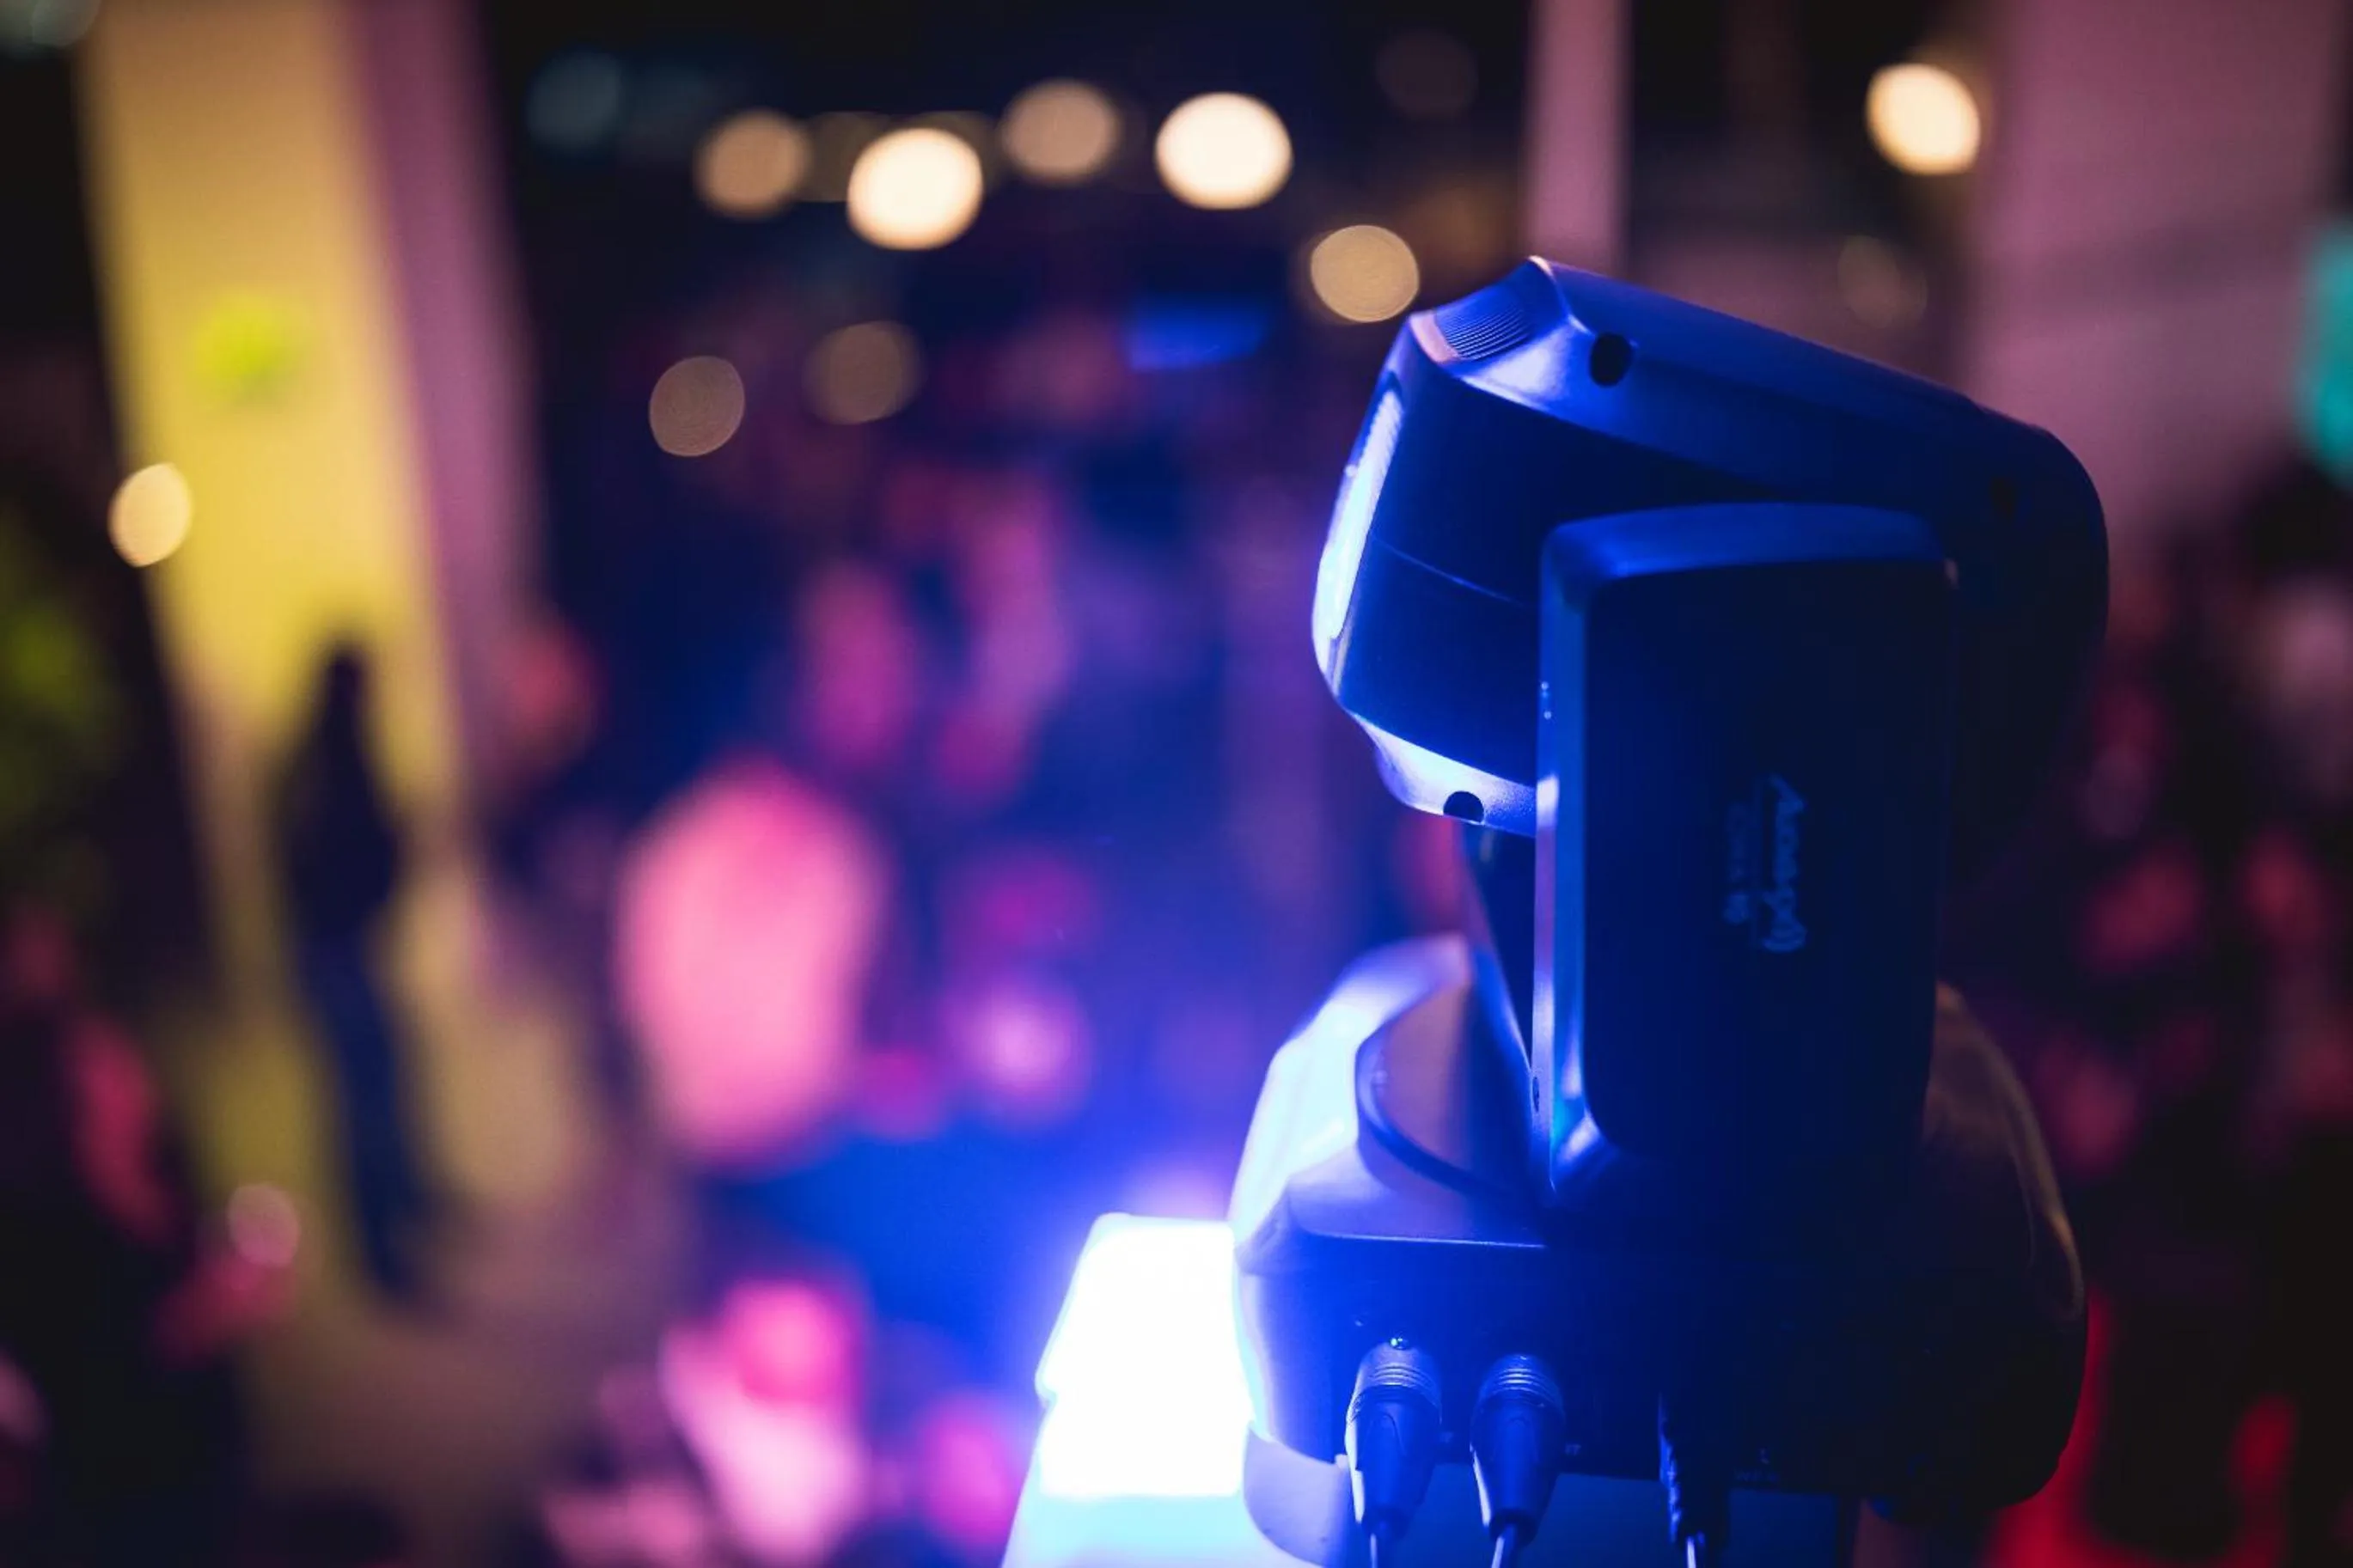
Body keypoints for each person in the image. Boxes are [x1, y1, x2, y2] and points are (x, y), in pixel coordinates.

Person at [0, 998, 288, 1565]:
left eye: (124, 1052)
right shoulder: (37, 1228)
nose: (134, 1069)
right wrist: (199, 1317)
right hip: (132, 1497)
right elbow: (79, 1384)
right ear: (58, 1098)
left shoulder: (162, 1164)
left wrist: (236, 1283)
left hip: (212, 1455)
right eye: (105, 1065)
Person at [276, 646, 434, 1300]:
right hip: (338, 953)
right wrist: (399, 842)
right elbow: (336, 861)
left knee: (379, 1085)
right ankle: (378, 1248)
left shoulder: (314, 756)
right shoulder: (330, 762)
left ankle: (404, 1207)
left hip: (340, 950)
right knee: (363, 1099)